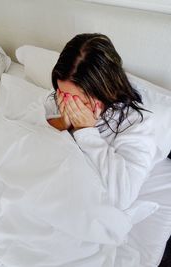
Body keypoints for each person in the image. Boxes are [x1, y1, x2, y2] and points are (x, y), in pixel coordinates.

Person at [44, 33, 157, 210]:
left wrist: (86, 132)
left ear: (106, 91)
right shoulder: (60, 97)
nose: (68, 104)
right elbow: (35, 134)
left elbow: (122, 197)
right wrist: (63, 124)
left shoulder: (137, 125)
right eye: (63, 94)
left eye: (78, 101)